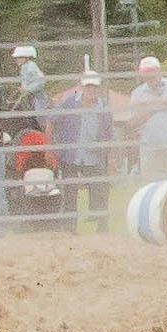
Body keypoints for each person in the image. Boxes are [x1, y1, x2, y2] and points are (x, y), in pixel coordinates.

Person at [48, 68, 115, 231]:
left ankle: (102, 228)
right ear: (82, 86)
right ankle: (69, 229)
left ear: (98, 88)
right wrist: (50, 148)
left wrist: (111, 158)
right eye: (88, 86)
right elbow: (51, 122)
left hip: (95, 156)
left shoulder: (103, 108)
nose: (91, 90)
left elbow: (109, 134)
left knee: (100, 191)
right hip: (71, 156)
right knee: (70, 193)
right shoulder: (69, 102)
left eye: (94, 87)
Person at [127, 56, 167, 179]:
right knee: (151, 187)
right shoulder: (137, 93)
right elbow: (132, 122)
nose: (149, 76)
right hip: (149, 148)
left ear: (159, 71)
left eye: (152, 72)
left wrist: (145, 106)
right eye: (146, 73)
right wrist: (158, 104)